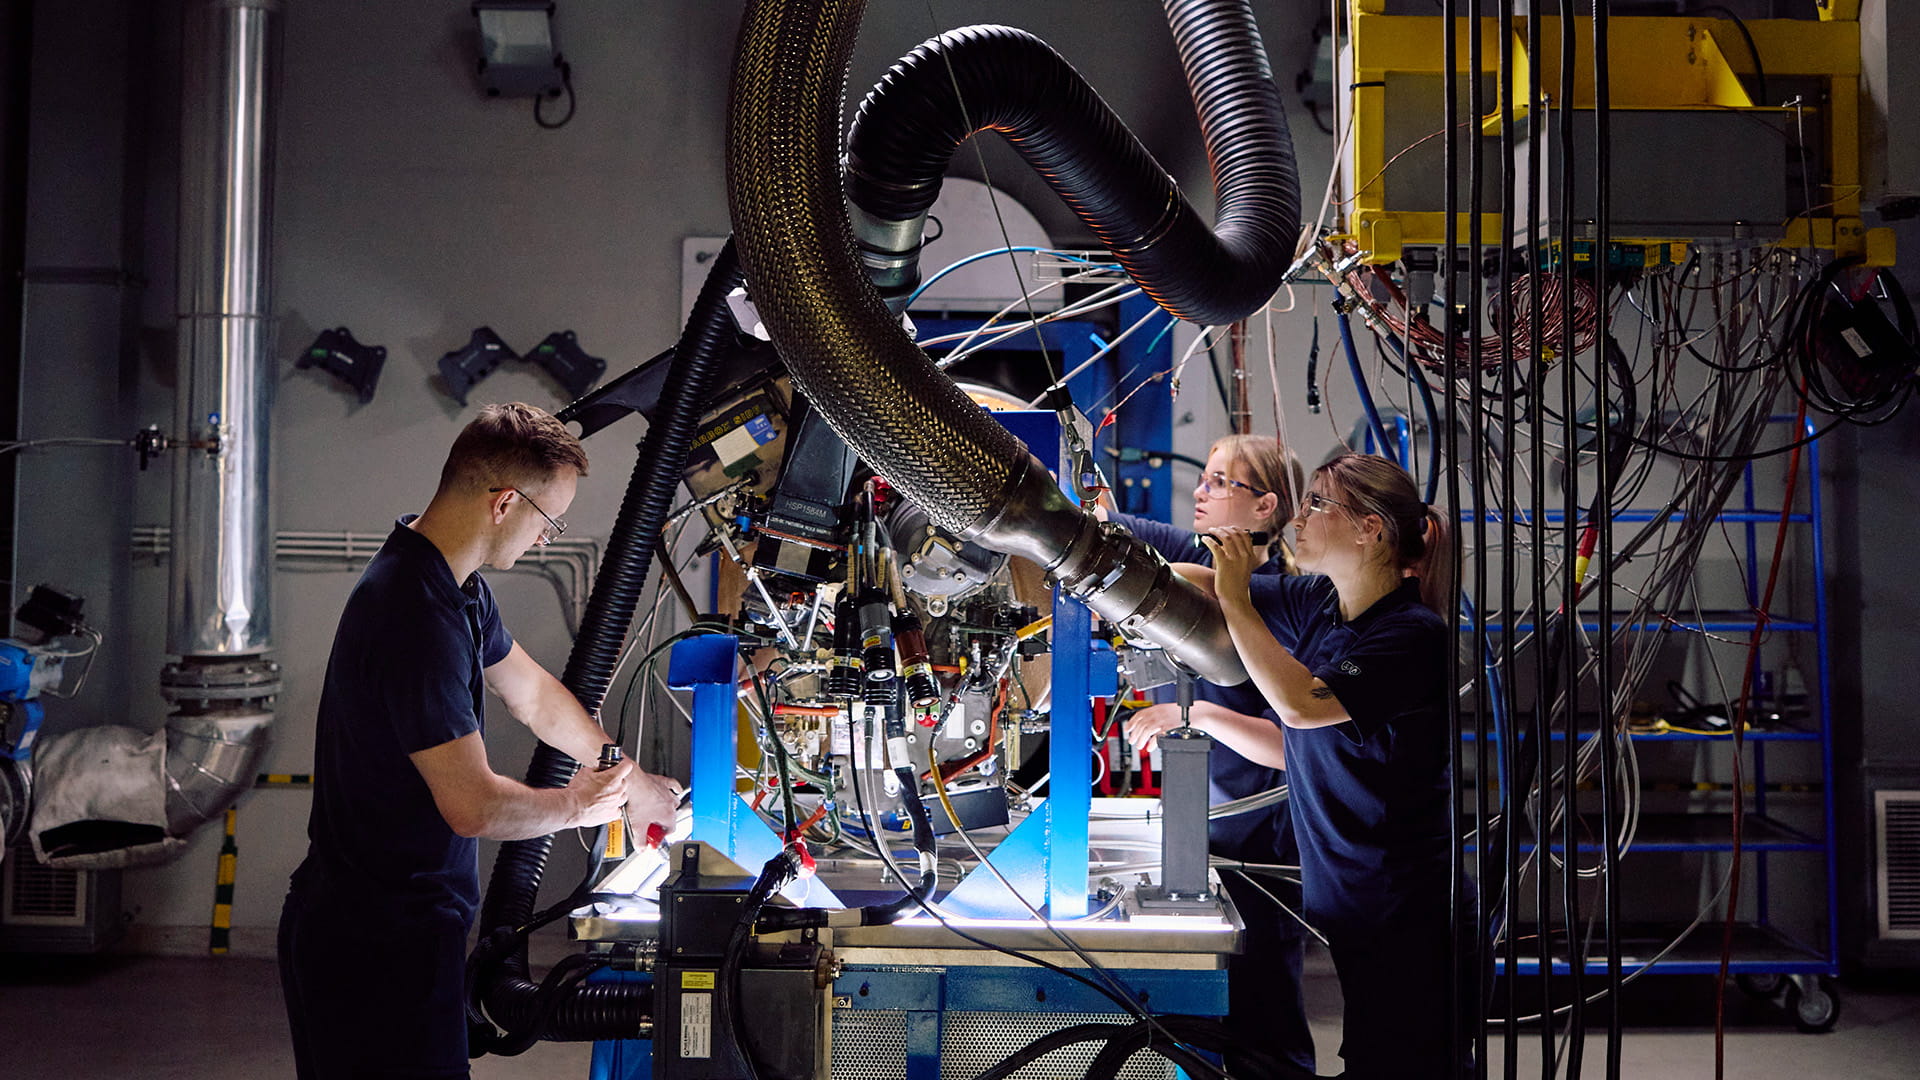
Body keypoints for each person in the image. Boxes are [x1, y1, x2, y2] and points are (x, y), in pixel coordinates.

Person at [277, 403, 682, 1079]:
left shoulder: (454, 587)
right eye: (549, 520)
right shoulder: (413, 614)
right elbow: (473, 806)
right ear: (503, 504)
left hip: (409, 931)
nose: (550, 539)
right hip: (370, 945)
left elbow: (534, 696)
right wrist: (579, 807)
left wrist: (629, 780)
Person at [1184, 452, 1466, 1080]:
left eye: (1317, 504)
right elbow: (1199, 583)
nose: (1298, 518)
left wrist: (1236, 601)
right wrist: (1105, 569)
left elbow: (1302, 706)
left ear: (1370, 529)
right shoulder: (1322, 602)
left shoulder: (1410, 634)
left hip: (1408, 914)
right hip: (1357, 906)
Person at [1105, 433, 1316, 1077]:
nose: (1201, 490)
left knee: (1266, 1021)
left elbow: (1293, 750)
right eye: (1206, 476)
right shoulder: (1190, 552)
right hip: (1209, 835)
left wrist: (1194, 713)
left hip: (1262, 852)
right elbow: (1102, 532)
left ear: (1265, 509)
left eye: (1223, 482)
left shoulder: (1287, 601)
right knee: (1215, 1031)